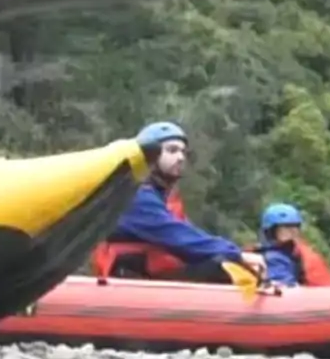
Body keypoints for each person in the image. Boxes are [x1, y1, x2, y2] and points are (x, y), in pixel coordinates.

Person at [89, 120, 265, 282]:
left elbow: (191, 239)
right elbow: (180, 238)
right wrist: (236, 255)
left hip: (151, 281)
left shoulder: (161, 198)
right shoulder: (134, 196)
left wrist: (236, 254)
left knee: (221, 262)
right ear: (148, 156)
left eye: (183, 152)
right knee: (222, 267)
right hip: (131, 283)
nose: (181, 157)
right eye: (172, 150)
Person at [255, 203, 330, 288]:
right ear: (271, 230)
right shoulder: (268, 256)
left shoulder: (298, 254)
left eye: (295, 226)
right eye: (286, 226)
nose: (293, 231)